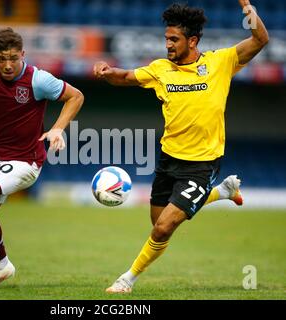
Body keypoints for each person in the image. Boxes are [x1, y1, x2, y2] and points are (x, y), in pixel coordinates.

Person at [94, 0, 268, 293]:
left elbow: (260, 40)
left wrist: (247, 6)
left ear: (193, 40)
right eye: (166, 39)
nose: (168, 45)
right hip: (168, 160)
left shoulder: (220, 62)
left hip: (202, 164)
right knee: (157, 225)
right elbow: (125, 77)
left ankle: (127, 279)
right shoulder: (161, 69)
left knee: (164, 227)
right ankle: (222, 192)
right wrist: (106, 71)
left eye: (174, 40)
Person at [0, 27, 84, 289]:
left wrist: (57, 129)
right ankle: (2, 265)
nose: (7, 65)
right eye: (1, 59)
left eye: (13, 58)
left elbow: (76, 96)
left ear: (23, 54)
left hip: (25, 162)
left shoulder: (38, 79)